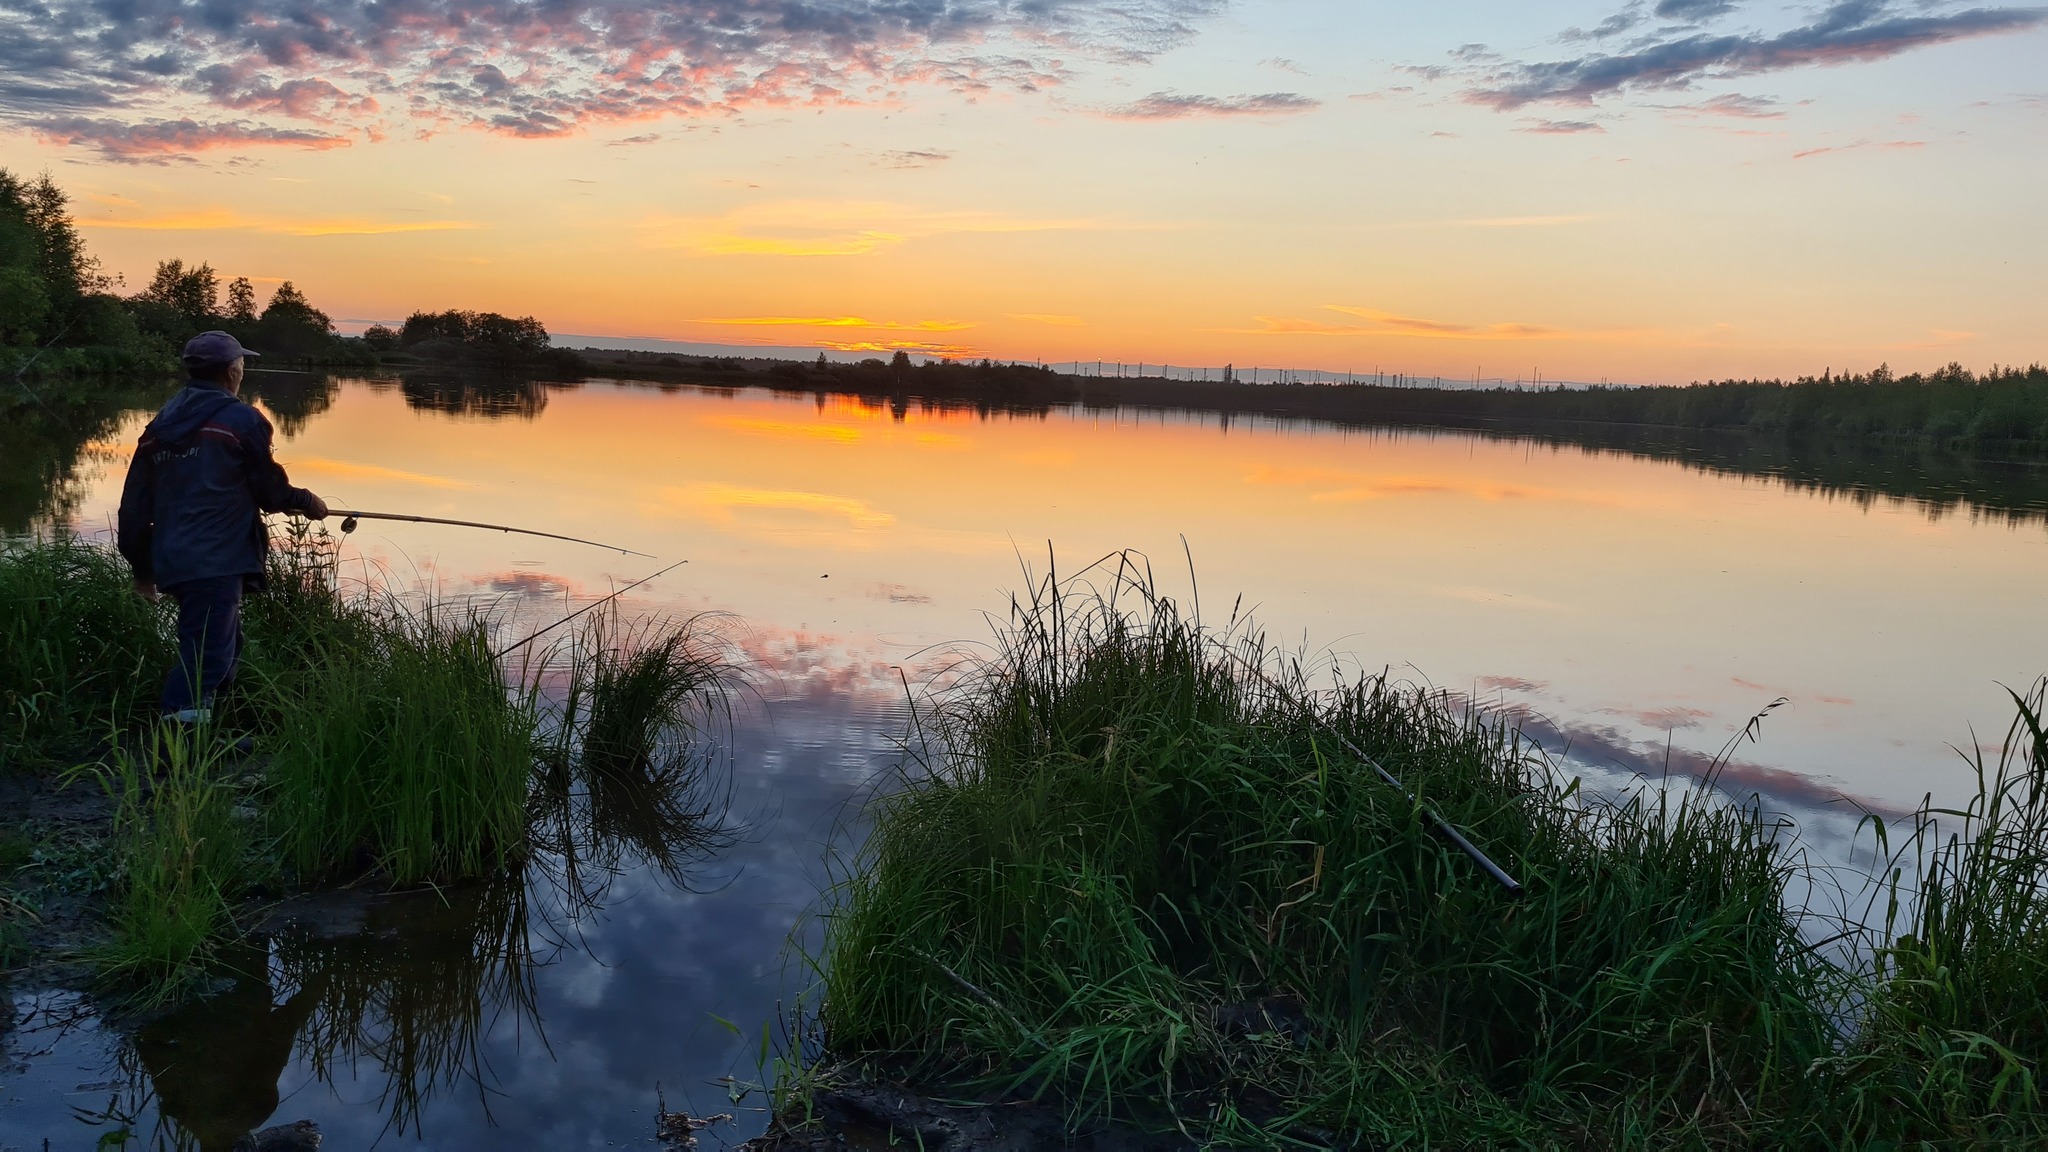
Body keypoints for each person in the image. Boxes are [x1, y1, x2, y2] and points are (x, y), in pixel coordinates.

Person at [117, 331, 329, 724]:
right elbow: (270, 492)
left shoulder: (159, 425)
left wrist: (142, 571)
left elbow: (133, 507)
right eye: (242, 365)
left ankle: (211, 726)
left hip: (174, 557)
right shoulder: (241, 419)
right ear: (233, 371)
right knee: (207, 654)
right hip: (217, 557)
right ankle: (178, 745)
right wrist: (306, 501)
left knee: (224, 642)